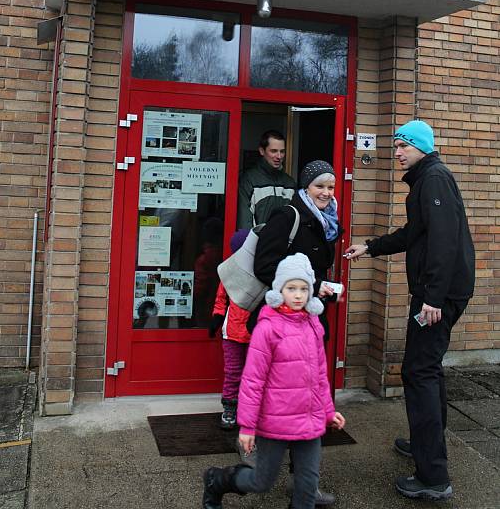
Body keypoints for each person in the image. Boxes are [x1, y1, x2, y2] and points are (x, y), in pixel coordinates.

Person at [345, 120, 475, 501]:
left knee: (419, 371)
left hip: (439, 295)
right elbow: (414, 233)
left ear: (421, 147)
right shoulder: (425, 179)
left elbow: (443, 241)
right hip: (438, 292)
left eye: (403, 145)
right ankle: (426, 445)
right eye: (396, 146)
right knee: (427, 369)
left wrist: (432, 298)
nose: (397, 152)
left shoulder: (434, 179)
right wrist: (371, 247)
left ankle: (433, 476)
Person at [202, 253, 345, 509]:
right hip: (275, 420)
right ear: (279, 290)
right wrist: (247, 427)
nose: (298, 295)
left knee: (307, 485)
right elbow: (252, 381)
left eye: (304, 289)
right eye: (291, 288)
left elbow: (320, 376)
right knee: (261, 481)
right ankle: (217, 480)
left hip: (309, 418)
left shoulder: (314, 325)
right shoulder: (267, 329)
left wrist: (328, 411)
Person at [251, 159, 344, 507]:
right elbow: (264, 265)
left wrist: (322, 287)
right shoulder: (287, 215)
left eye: (331, 186)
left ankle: (305, 486)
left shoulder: (328, 221)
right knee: (285, 399)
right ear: (306, 187)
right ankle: (259, 469)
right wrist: (312, 286)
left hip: (312, 319)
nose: (326, 192)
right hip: (284, 324)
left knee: (309, 401)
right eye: (320, 186)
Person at [208, 230, 251, 430]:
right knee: (233, 372)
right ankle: (229, 407)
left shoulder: (263, 269)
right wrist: (217, 317)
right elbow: (221, 298)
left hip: (256, 333)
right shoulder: (230, 271)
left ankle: (250, 410)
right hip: (232, 331)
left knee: (254, 374)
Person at [237, 130, 295, 229]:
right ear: (262, 151)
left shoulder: (290, 183)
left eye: (282, 151)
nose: (279, 156)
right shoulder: (249, 180)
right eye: (274, 151)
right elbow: (244, 222)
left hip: (284, 243)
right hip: (258, 242)